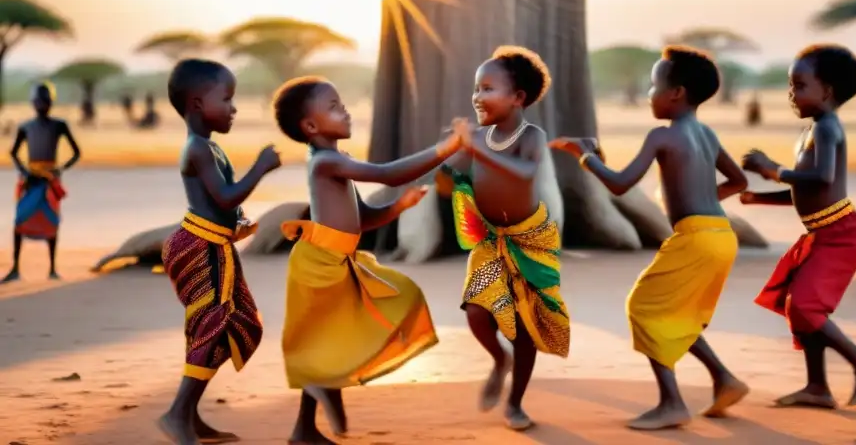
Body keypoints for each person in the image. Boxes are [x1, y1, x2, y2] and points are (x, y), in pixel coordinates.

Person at [552, 46, 750, 430]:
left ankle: (672, 402)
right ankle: (724, 380)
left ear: (675, 93)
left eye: (653, 84)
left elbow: (621, 184)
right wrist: (706, 200)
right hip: (720, 235)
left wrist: (585, 156)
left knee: (644, 308)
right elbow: (739, 182)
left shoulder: (662, 136)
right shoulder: (706, 134)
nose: (648, 93)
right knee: (677, 314)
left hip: (694, 238)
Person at [270, 76, 462, 443]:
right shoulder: (324, 162)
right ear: (310, 127)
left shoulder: (337, 160)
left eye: (341, 104)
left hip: (340, 261)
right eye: (333, 107)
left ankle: (322, 398)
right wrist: (445, 148)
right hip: (319, 265)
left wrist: (398, 206)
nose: (344, 111)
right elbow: (388, 173)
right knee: (320, 343)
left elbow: (366, 217)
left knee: (366, 318)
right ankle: (304, 428)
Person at [741, 43, 856, 410]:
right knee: (798, 308)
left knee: (806, 306)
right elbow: (804, 189)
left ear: (827, 91)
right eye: (791, 85)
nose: (792, 93)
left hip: (843, 234)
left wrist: (773, 170)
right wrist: (759, 197)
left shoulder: (827, 128)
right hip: (823, 233)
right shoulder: (810, 131)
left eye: (800, 85)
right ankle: (817, 387)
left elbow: (821, 177)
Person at [435, 46, 569, 431]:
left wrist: (476, 147)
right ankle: (499, 359)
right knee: (477, 313)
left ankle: (516, 403)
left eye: (489, 88)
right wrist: (448, 161)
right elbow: (449, 182)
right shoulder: (480, 137)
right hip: (490, 240)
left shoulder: (531, 135)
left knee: (524, 327)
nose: (478, 96)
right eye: (476, 88)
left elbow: (525, 173)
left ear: (518, 98)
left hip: (530, 240)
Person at [158, 59, 281, 445]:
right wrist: (260, 168)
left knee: (245, 323)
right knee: (212, 325)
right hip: (200, 246)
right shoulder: (197, 149)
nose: (233, 107)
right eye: (226, 99)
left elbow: (224, 204)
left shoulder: (209, 148)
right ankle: (178, 414)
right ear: (197, 104)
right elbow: (225, 195)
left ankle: (188, 413)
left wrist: (238, 220)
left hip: (216, 244)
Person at [4, 82, 80, 283]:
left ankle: (52, 268)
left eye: (45, 101)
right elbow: (13, 153)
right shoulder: (26, 127)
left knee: (52, 222)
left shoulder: (59, 125)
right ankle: (15, 268)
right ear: (33, 103)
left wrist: (59, 169)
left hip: (49, 181)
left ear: (51, 102)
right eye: (38, 101)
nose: (42, 104)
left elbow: (76, 152)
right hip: (30, 181)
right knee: (20, 220)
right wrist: (24, 172)